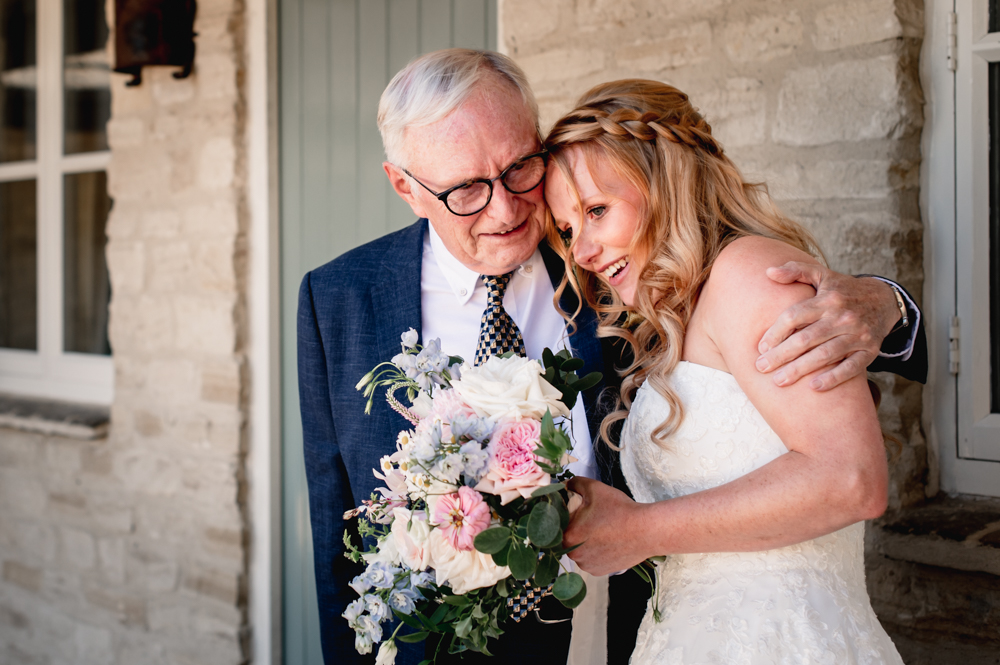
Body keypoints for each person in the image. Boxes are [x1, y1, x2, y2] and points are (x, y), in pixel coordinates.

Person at [296, 50, 926, 665]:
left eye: (519, 168)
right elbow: (340, 538)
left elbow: (778, 326)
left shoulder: (624, 262)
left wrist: (887, 303)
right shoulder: (339, 300)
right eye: (466, 190)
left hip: (635, 634)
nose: (507, 209)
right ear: (406, 186)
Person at [545, 79, 908, 663]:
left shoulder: (751, 276)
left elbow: (852, 479)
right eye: (567, 230)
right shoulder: (672, 317)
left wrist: (641, 530)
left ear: (666, 182)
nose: (581, 251)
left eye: (596, 211)